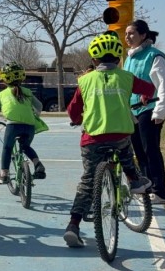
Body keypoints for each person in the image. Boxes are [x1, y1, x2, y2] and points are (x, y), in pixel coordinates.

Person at [65, 32, 155, 248]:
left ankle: (73, 225)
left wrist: (77, 119)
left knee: (87, 181)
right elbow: (149, 88)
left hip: (92, 138)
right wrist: (145, 97)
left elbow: (73, 110)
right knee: (126, 154)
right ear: (118, 58)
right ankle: (134, 181)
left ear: (94, 60)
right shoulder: (126, 77)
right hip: (120, 134)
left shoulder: (84, 80)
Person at [124, 19, 165, 202]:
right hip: (133, 110)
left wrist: (160, 111)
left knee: (150, 149)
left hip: (149, 109)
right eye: (126, 33)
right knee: (139, 151)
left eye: (131, 33)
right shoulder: (129, 57)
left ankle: (160, 191)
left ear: (143, 35)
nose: (127, 37)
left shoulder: (154, 56)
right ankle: (147, 186)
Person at [0, 62, 46, 185]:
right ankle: (37, 164)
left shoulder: (2, 94)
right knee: (25, 146)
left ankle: (4, 174)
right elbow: (39, 106)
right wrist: (35, 115)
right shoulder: (27, 92)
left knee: (7, 148)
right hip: (29, 126)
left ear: (5, 79)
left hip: (13, 126)